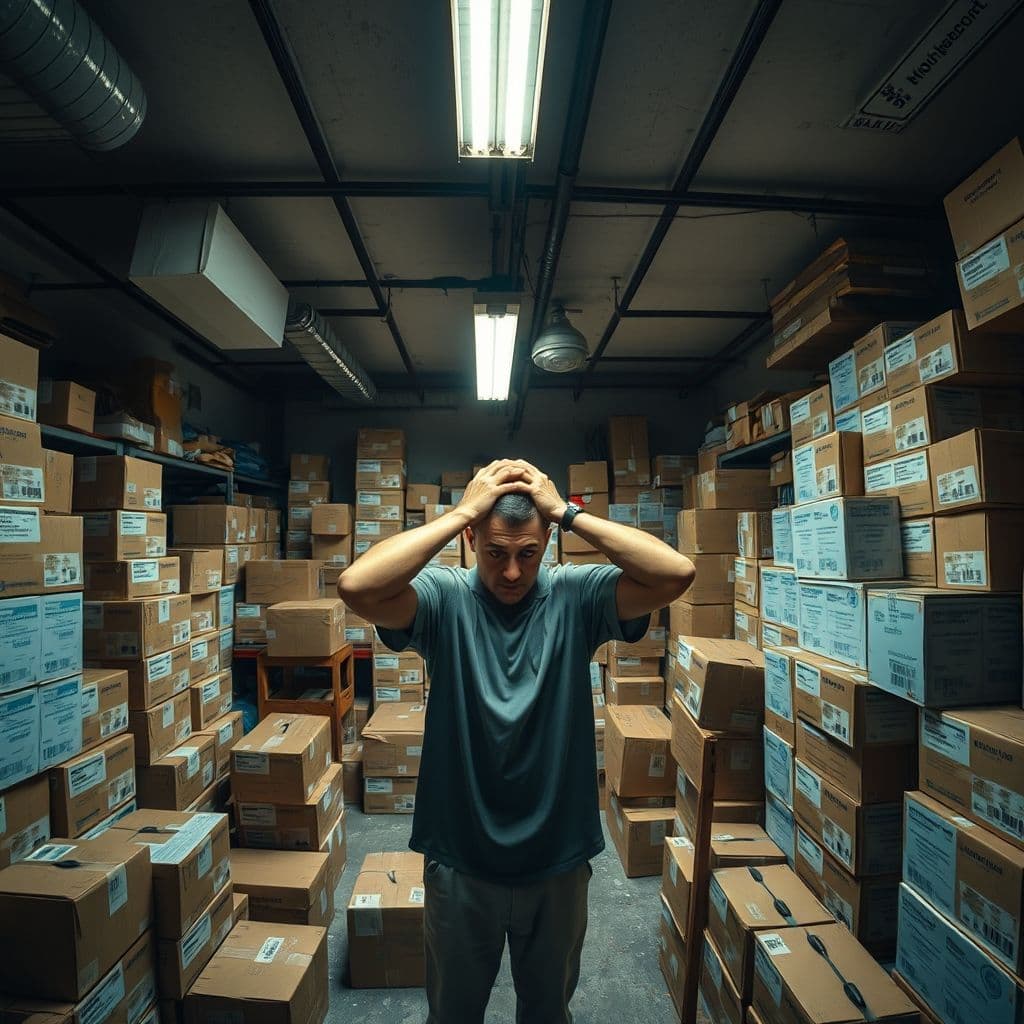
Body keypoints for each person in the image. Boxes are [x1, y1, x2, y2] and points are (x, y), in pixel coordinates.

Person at [338, 458, 695, 1024]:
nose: (510, 572)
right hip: (461, 861)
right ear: (471, 538)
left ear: (547, 541)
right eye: (496, 553)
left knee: (548, 1013)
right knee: (453, 1014)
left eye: (527, 554)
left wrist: (567, 511)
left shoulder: (577, 597)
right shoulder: (443, 599)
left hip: (555, 861)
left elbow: (676, 573)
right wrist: (459, 511)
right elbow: (357, 586)